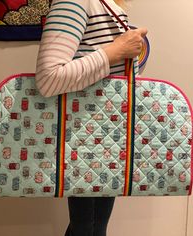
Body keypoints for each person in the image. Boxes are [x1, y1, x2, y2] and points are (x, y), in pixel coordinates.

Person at [35, 0, 147, 235]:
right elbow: (49, 79)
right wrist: (114, 52)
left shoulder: (104, 4)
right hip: (85, 135)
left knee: (91, 227)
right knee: (88, 227)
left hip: (104, 135)